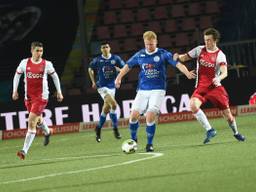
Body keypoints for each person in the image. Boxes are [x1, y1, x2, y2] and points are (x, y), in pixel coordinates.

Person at [115, 31, 196, 152]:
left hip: (158, 90)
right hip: (142, 90)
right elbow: (128, 66)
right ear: (144, 43)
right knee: (133, 116)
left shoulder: (163, 54)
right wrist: (118, 78)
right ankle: (133, 140)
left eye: (151, 44)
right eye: (147, 44)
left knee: (150, 115)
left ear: (156, 42)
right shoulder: (140, 55)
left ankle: (149, 144)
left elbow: (178, 64)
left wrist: (187, 73)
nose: (149, 47)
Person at [177, 27, 245, 144]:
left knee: (228, 116)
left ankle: (236, 133)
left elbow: (225, 72)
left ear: (215, 40)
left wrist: (218, 78)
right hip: (201, 88)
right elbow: (184, 57)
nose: (206, 42)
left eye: (209, 40)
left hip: (215, 88)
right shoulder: (199, 50)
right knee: (193, 105)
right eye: (205, 40)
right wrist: (177, 56)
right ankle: (210, 130)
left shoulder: (220, 55)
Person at [12, 41, 64, 160]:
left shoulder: (47, 64)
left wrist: (59, 91)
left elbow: (55, 77)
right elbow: (17, 75)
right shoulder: (24, 63)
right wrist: (15, 90)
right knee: (38, 119)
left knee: (31, 122)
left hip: (41, 97)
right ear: (32, 51)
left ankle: (24, 150)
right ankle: (47, 132)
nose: (39, 53)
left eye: (41, 51)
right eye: (37, 51)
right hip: (28, 97)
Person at [88, 42, 125, 142]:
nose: (105, 48)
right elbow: (90, 68)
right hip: (102, 87)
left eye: (106, 47)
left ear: (110, 48)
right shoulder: (98, 60)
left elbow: (124, 68)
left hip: (112, 87)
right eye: (103, 47)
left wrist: (119, 77)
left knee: (106, 109)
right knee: (114, 105)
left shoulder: (115, 58)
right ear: (101, 49)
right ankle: (115, 128)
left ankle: (98, 128)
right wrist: (93, 81)